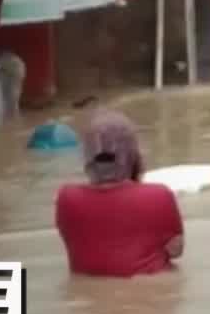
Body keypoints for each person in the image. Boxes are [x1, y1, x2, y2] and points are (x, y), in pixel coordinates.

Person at [55, 111, 185, 277]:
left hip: (91, 294)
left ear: (88, 154)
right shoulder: (159, 195)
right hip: (148, 293)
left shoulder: (67, 198)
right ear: (131, 152)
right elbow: (176, 250)